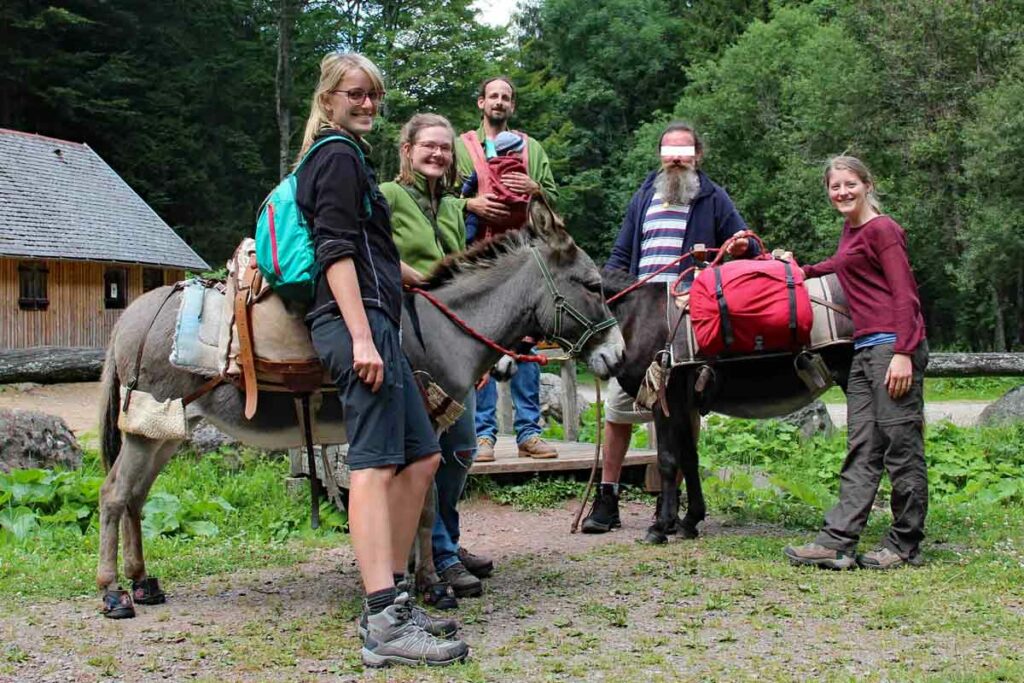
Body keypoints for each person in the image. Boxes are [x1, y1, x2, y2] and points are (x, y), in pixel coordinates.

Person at [297, 53, 468, 667]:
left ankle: (394, 597)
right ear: (329, 98)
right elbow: (335, 251)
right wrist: (364, 338)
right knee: (373, 465)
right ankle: (381, 625)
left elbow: (366, 247)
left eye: (374, 95)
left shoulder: (348, 155)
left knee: (422, 456)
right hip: (356, 325)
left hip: (376, 318)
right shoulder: (337, 156)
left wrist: (412, 278)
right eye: (355, 94)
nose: (367, 104)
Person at [582, 120, 751, 534]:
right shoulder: (644, 196)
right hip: (641, 313)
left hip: (687, 313)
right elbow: (622, 255)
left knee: (680, 406)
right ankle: (608, 497)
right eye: (669, 151)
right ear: (659, 156)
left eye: (685, 151)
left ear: (697, 156)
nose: (676, 158)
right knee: (620, 411)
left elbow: (744, 240)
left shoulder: (713, 197)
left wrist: (741, 245)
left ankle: (670, 499)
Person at [784, 155, 928, 570]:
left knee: (901, 447)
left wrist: (903, 352)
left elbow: (906, 295)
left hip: (891, 349)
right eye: (835, 187)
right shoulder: (852, 232)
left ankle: (904, 544)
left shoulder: (884, 229)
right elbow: (839, 268)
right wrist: (796, 268)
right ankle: (838, 542)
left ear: (867, 184)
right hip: (864, 349)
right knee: (862, 447)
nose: (842, 192)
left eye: (849, 184)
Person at [380, 112, 494, 603]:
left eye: (445, 148)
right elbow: (377, 254)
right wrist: (420, 281)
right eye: (429, 145)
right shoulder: (386, 196)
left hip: (454, 339)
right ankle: (440, 553)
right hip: (409, 330)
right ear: (407, 149)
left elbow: (464, 273)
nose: (438, 154)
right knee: (433, 445)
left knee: (462, 446)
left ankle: (446, 537)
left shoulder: (452, 206)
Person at [455, 75, 561, 462]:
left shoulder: (533, 149)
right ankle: (482, 435)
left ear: (512, 106)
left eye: (506, 97)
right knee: (482, 343)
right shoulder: (460, 148)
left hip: (525, 260)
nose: (499, 102)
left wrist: (536, 189)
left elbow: (554, 198)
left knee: (526, 344)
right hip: (480, 260)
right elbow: (441, 197)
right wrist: (471, 206)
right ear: (481, 103)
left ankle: (528, 432)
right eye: (492, 96)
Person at [461, 130, 528, 243]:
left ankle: (469, 234)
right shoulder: (520, 168)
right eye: (520, 151)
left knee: (473, 216)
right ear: (511, 154)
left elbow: (471, 181)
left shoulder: (486, 166)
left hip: (491, 204)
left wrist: (464, 194)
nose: (523, 155)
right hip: (514, 208)